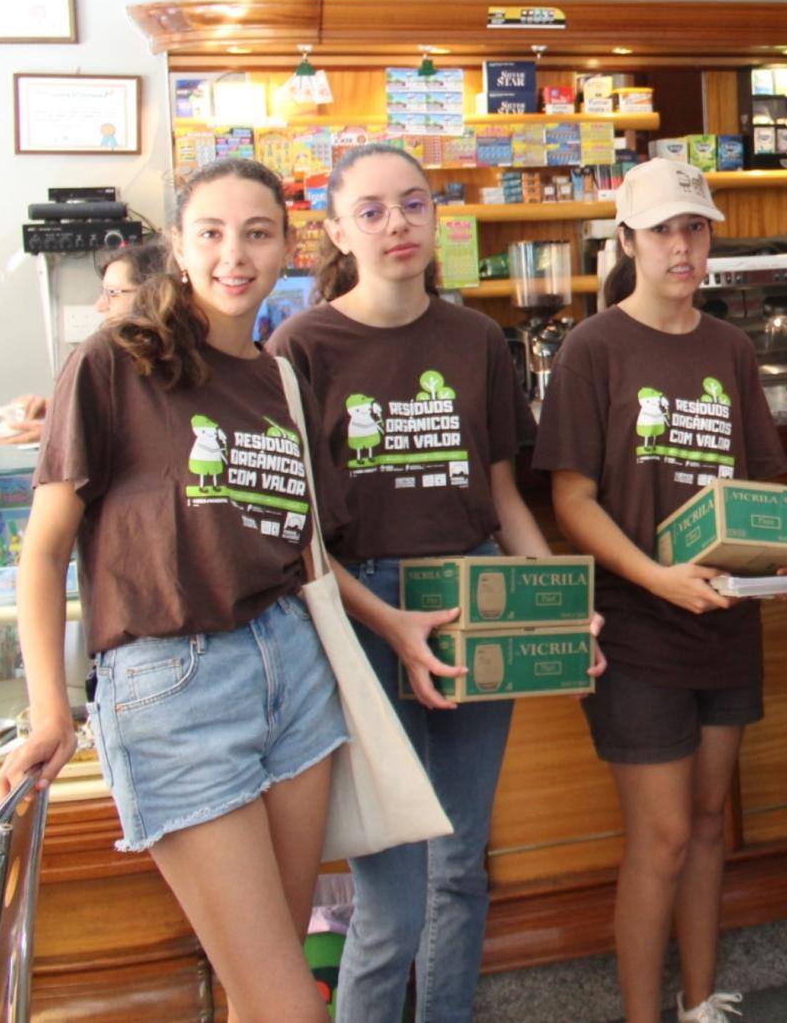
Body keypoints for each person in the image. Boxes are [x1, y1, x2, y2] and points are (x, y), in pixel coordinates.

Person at [0, 158, 462, 1022]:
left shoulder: (282, 377)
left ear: (290, 246)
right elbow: (45, 546)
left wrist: (390, 622)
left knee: (269, 980)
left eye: (256, 233)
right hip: (175, 688)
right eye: (210, 232)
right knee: (291, 1004)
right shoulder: (113, 362)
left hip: (294, 674)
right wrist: (52, 709)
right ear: (178, 245)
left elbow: (307, 552)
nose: (233, 254)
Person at [270, 144, 587, 1022]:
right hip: (363, 613)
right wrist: (386, 620)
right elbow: (298, 536)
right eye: (369, 210)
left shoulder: (476, 338)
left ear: (436, 214)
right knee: (392, 896)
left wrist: (557, 601)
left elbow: (501, 495)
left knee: (461, 865)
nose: (395, 224)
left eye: (412, 204)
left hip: (474, 598)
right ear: (335, 228)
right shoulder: (301, 346)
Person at [536, 158, 787, 1023]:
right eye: (662, 231)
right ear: (627, 241)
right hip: (640, 624)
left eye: (694, 228)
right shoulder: (592, 348)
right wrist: (657, 577)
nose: (682, 247)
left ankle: (700, 1001)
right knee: (664, 835)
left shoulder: (729, 345)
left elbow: (757, 483)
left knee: (713, 820)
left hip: (722, 619)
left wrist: (770, 562)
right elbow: (571, 498)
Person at [0, 239, 169, 445]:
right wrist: (56, 411)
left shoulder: (180, 364)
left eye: (112, 293)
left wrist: (65, 433)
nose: (100, 305)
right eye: (102, 293)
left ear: (157, 295)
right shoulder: (109, 361)